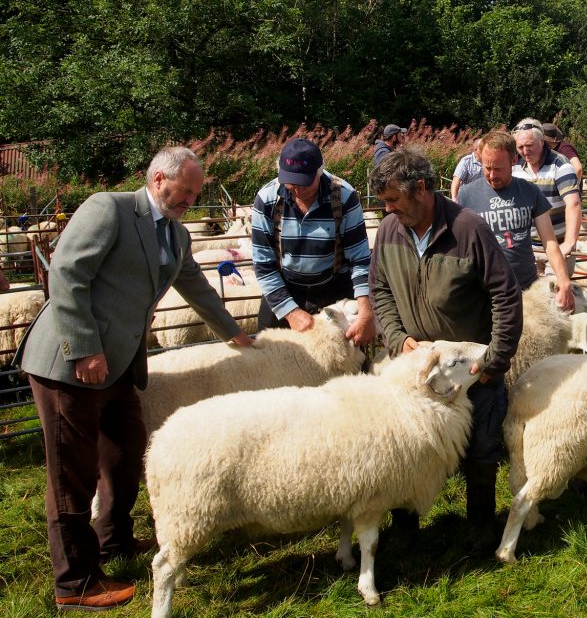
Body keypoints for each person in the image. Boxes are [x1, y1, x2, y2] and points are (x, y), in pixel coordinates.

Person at [15, 146, 252, 612]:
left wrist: (234, 332)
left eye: (196, 192)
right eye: (185, 190)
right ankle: (75, 582)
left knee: (125, 453)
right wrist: (85, 348)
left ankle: (114, 541)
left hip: (120, 366)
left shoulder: (176, 233)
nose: (189, 199)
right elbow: (66, 274)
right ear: (159, 178)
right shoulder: (111, 209)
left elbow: (196, 286)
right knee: (71, 471)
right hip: (69, 363)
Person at [369, 148, 522, 554]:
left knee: (481, 445)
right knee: (407, 447)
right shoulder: (388, 231)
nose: (387, 209)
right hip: (414, 369)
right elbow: (380, 290)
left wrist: (494, 360)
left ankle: (480, 525)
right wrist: (397, 337)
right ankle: (405, 528)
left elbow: (505, 296)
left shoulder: (468, 229)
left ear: (420, 188)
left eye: (393, 200)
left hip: (469, 368)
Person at [250, 138, 376, 343]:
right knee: (268, 360)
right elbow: (263, 265)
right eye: (291, 184)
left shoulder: (344, 196)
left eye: (305, 184)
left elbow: (360, 260)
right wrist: (290, 312)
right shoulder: (267, 199)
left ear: (320, 172)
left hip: (333, 289)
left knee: (343, 360)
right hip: (285, 288)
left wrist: (365, 311)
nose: (298, 190)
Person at [457, 130, 574, 311]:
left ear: (513, 161)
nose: (492, 175)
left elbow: (549, 241)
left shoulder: (530, 191)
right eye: (487, 168)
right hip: (484, 290)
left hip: (525, 288)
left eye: (498, 169)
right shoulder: (466, 195)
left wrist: (563, 279)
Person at [513, 124, 582, 264]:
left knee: (558, 286)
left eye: (529, 145)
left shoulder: (560, 164)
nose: (525, 151)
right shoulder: (515, 165)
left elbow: (573, 203)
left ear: (541, 141)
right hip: (527, 248)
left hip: (558, 246)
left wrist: (569, 243)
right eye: (520, 147)